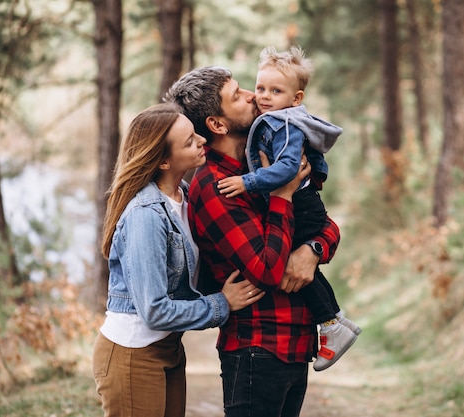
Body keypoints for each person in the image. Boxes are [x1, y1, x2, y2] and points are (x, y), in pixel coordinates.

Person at [164, 65, 340, 417]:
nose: (253, 96)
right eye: (238, 95)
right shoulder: (216, 187)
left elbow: (325, 224)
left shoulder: (260, 165)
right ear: (217, 124)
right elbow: (266, 271)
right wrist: (282, 196)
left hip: (294, 344)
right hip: (257, 349)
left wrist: (312, 250)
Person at [92, 102, 264, 417]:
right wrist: (221, 303)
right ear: (164, 162)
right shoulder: (147, 215)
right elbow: (155, 310)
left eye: (195, 133)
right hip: (133, 353)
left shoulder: (183, 197)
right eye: (189, 142)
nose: (202, 140)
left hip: (169, 348)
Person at [217, 46, 361, 372]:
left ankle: (331, 324)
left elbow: (286, 170)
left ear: (296, 99)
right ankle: (335, 323)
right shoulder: (278, 119)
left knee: (291, 262)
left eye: (275, 91)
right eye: (260, 88)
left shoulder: (284, 125)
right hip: (302, 202)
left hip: (301, 204)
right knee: (299, 261)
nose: (263, 97)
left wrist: (248, 182)